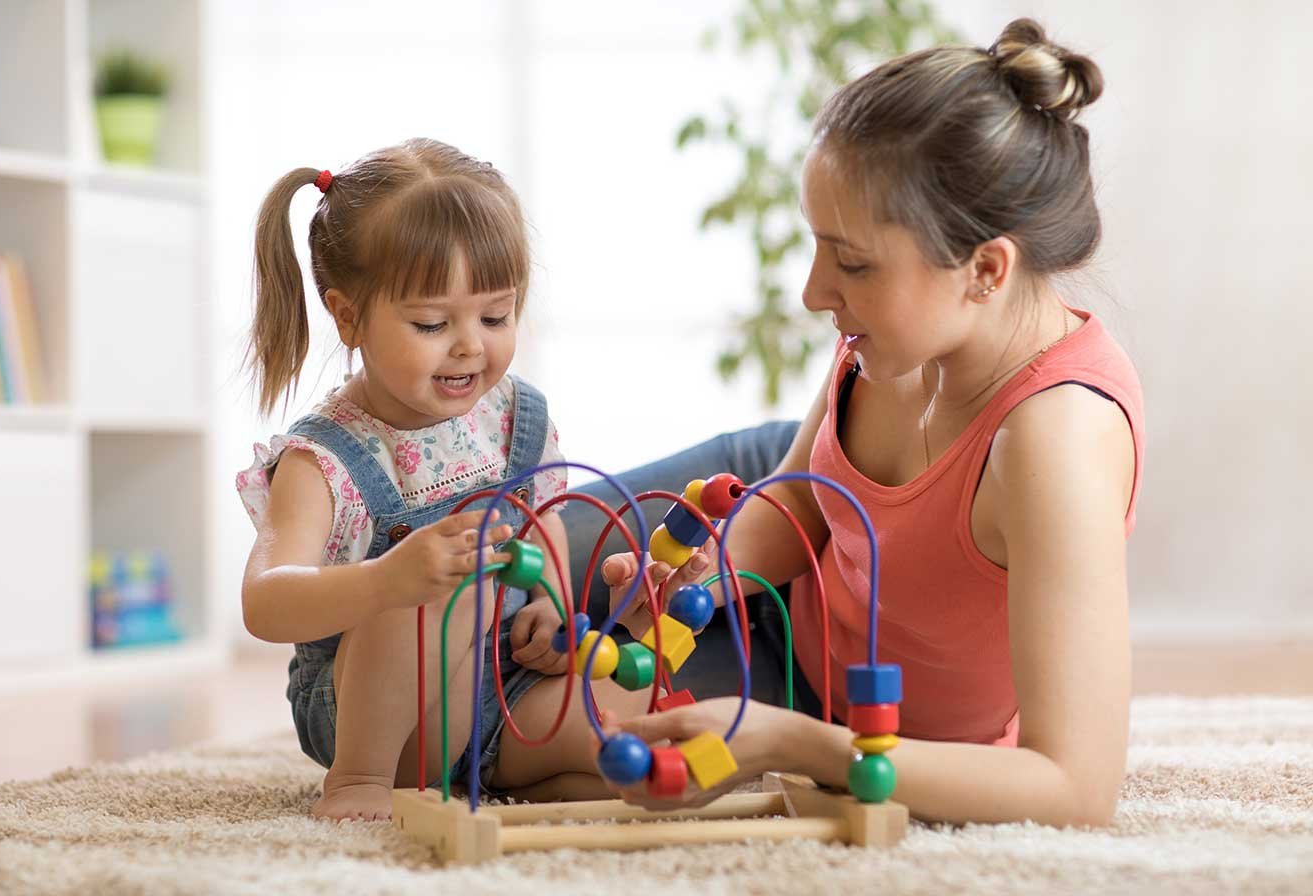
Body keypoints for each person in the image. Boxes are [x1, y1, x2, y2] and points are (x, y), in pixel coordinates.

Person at [578, 18, 1144, 828]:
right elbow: (798, 506)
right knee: (487, 584)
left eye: (850, 262)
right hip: (783, 526)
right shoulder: (895, 337)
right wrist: (691, 583)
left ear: (985, 269)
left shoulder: (1056, 444)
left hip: (833, 705)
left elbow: (1075, 789)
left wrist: (794, 744)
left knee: (504, 734)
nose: (812, 291)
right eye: (819, 247)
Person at [236, 138, 650, 822]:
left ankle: (511, 778)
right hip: (380, 720)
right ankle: (359, 784)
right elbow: (265, 602)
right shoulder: (324, 459)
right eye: (432, 322)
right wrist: (385, 580)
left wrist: (547, 602)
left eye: (496, 316)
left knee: (625, 748)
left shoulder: (517, 418)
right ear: (348, 316)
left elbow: (540, 524)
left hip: (504, 694)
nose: (470, 345)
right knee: (436, 588)